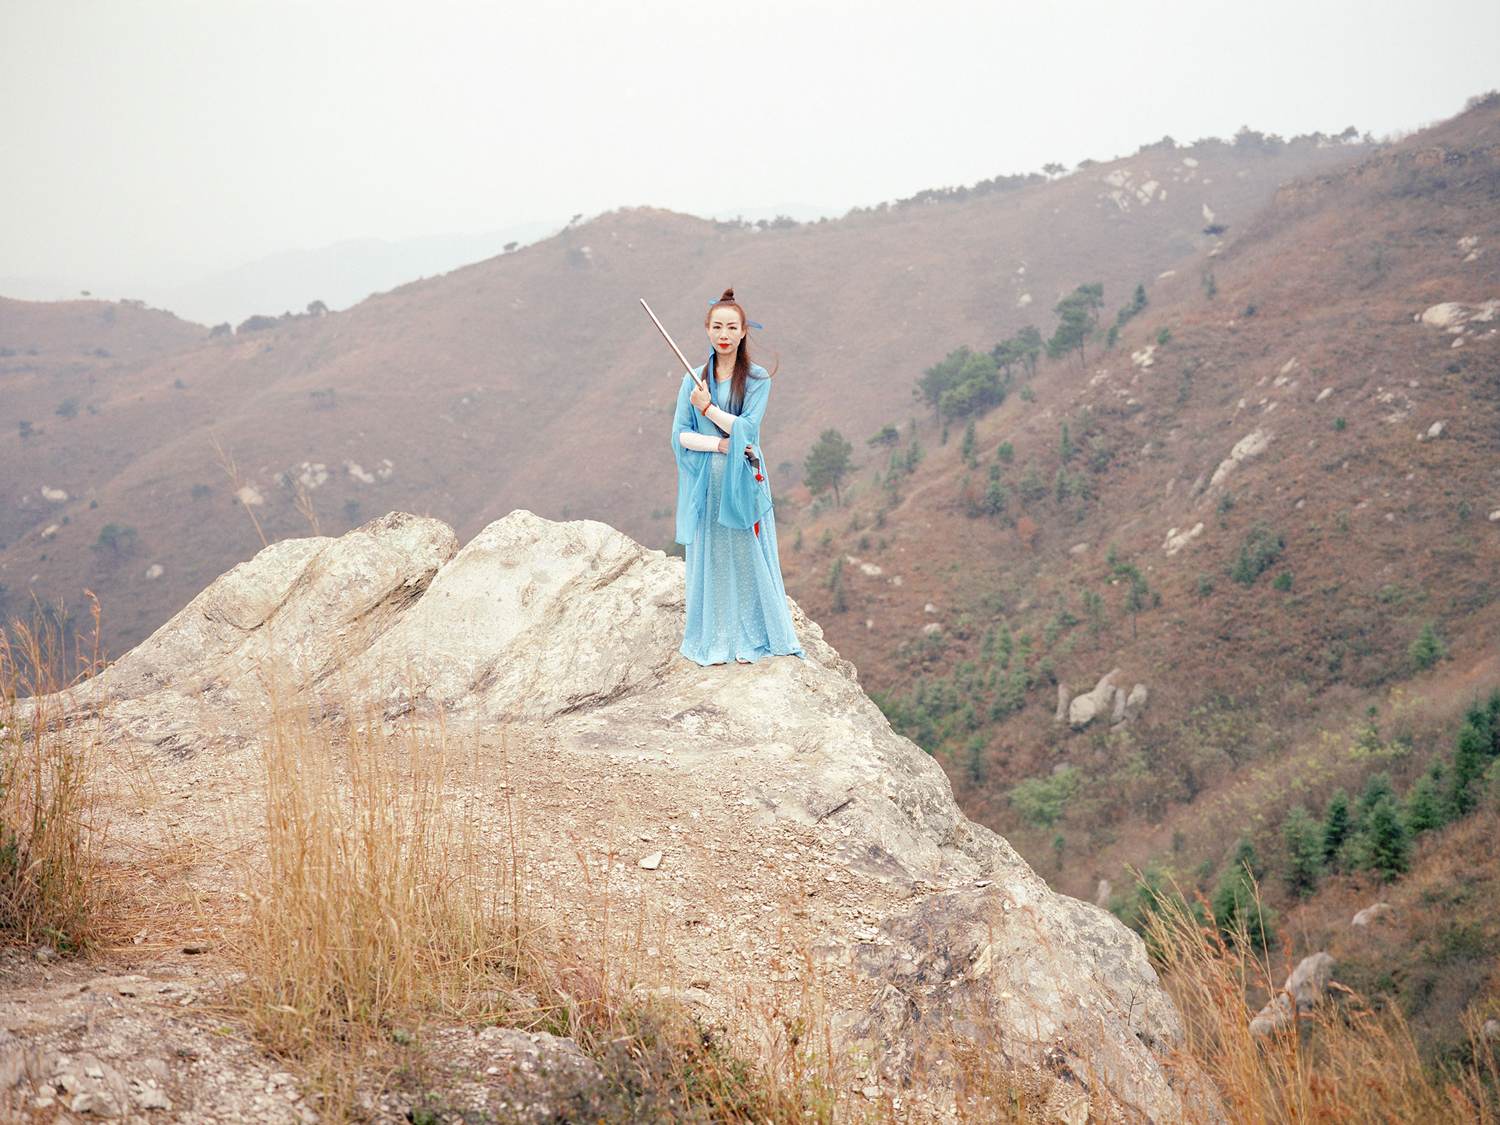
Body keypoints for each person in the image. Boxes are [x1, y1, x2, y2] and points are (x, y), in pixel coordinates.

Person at [669, 288, 806, 666]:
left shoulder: (758, 379)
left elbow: (746, 430)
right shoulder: (693, 379)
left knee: (747, 555)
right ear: (707, 331)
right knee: (711, 556)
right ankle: (714, 638)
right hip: (706, 484)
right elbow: (680, 435)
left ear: (744, 331)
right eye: (717, 326)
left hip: (743, 481)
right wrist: (718, 446)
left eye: (732, 327)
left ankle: (755, 636)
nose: (724, 334)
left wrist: (709, 408)